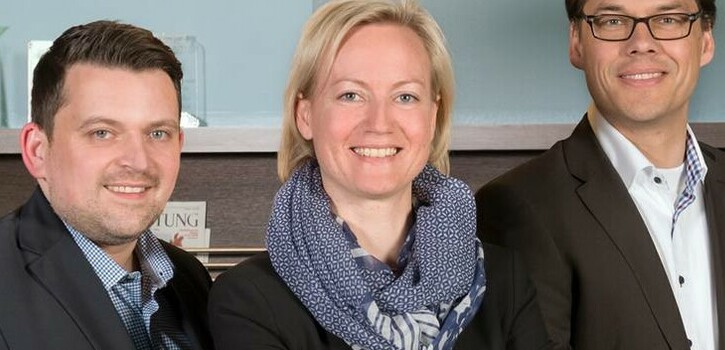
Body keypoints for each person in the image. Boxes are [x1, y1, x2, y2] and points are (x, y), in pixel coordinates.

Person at [209, 0, 548, 348]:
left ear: (433, 116)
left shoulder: (503, 281)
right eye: (351, 95)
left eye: (405, 96)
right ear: (305, 114)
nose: (379, 123)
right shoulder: (249, 301)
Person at [474, 0, 725, 348]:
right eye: (613, 20)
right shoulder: (516, 208)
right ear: (576, 42)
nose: (642, 42)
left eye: (669, 19)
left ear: (706, 39)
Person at [0, 20, 211, 350]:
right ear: (37, 151)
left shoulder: (190, 280)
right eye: (102, 133)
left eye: (158, 134)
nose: (138, 161)